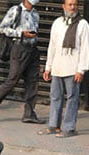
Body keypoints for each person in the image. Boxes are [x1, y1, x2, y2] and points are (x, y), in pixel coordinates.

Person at [0, 0, 45, 124]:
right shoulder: (16, 10)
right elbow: (3, 28)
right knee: (12, 80)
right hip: (19, 48)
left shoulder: (35, 13)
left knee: (32, 82)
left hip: (32, 50)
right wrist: (21, 33)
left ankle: (29, 114)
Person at [39, 0, 88, 138]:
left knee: (72, 98)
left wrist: (81, 70)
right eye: (70, 5)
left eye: (75, 5)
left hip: (73, 68)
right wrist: (48, 67)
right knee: (55, 97)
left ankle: (69, 128)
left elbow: (85, 48)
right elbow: (52, 46)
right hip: (58, 67)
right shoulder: (57, 23)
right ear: (63, 6)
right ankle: (54, 125)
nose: (72, 7)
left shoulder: (82, 24)